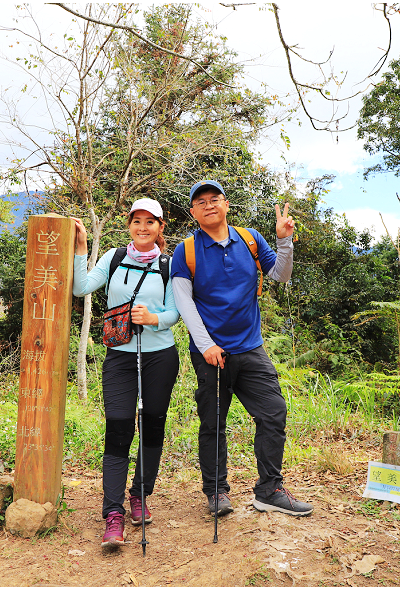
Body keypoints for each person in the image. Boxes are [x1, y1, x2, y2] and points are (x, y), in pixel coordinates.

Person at [170, 179, 314, 518]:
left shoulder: (250, 239)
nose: (208, 205)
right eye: (201, 202)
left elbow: (279, 275)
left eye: (214, 199)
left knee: (273, 411)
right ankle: (217, 492)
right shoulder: (186, 251)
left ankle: (269, 490)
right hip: (210, 353)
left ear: (226, 204)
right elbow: (183, 302)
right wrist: (206, 345)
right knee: (213, 423)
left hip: (250, 348)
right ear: (193, 211)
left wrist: (284, 239)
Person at [72, 198, 180, 548]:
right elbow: (81, 287)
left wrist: (154, 318)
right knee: (118, 428)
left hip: (160, 357)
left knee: (152, 425)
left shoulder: (170, 264)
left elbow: (176, 312)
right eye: (137, 221)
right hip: (119, 358)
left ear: (161, 227)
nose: (143, 227)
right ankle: (113, 512)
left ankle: (140, 495)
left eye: (151, 222)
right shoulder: (114, 258)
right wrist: (81, 249)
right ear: (129, 225)